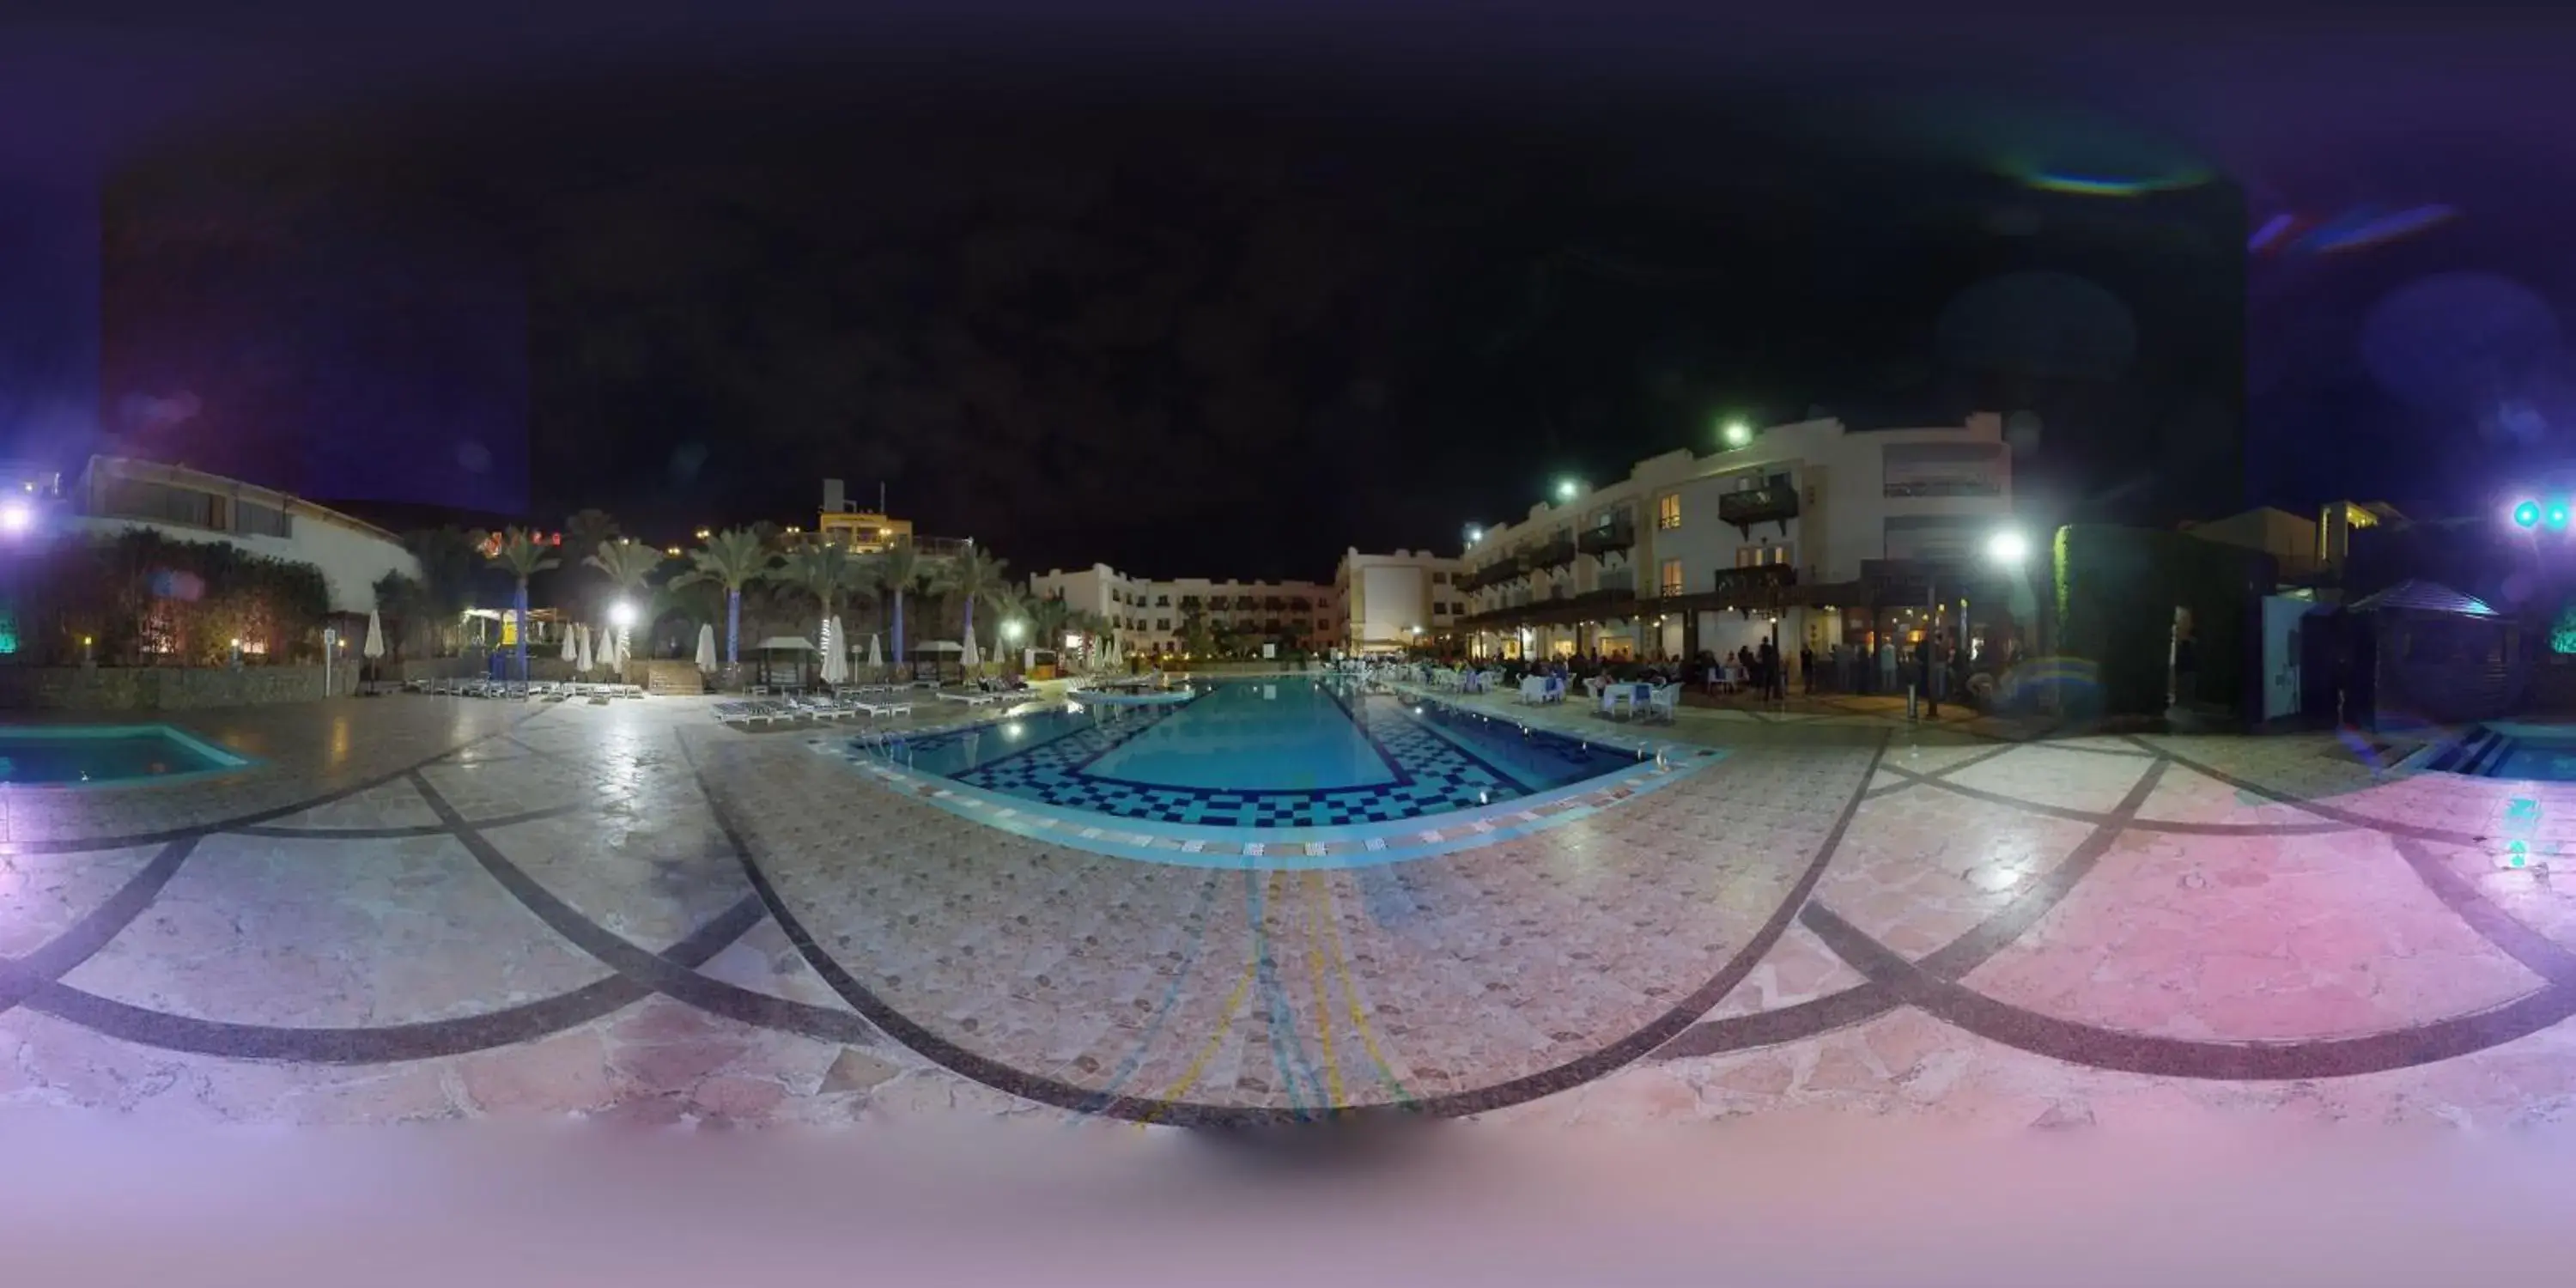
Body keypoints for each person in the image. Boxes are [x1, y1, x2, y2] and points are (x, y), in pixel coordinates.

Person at [1916, 631, 1940, 719]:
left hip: (1923, 665)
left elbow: (1917, 654)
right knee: (1927, 679)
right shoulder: (1932, 645)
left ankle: (1924, 693)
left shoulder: (1922, 645)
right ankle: (1927, 694)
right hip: (1928, 665)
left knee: (1923, 679)